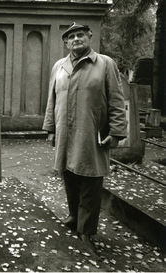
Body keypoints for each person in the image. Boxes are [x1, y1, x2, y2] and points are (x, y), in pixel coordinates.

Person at [42, 23, 127, 255]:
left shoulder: (105, 63)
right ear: (66, 42)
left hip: (91, 133)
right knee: (68, 174)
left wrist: (117, 131)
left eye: (80, 34)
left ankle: (86, 232)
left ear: (89, 37)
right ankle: (73, 217)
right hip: (64, 132)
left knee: (90, 180)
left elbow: (117, 100)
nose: (76, 39)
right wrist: (50, 128)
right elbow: (52, 99)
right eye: (71, 36)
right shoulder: (59, 66)